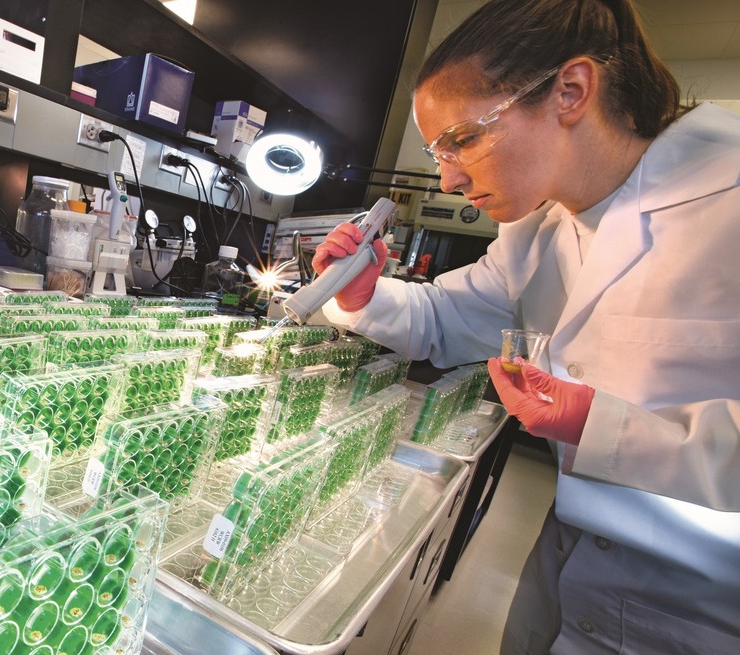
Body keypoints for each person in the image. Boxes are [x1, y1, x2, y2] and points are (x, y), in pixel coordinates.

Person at [311, 0, 740, 652]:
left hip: (704, 603)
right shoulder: (538, 227)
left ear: (570, 90)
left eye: (462, 140)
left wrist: (597, 425)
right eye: (437, 151)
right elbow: (446, 317)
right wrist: (362, 295)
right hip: (567, 556)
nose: (447, 179)